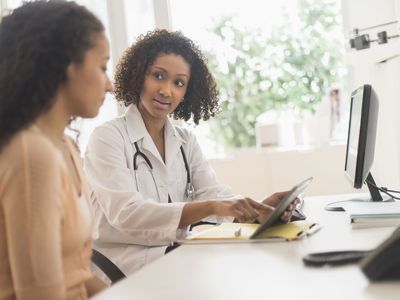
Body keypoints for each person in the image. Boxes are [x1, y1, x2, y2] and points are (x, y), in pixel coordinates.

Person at [84, 29, 297, 275]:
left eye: (179, 82)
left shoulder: (185, 141)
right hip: (121, 266)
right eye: (158, 76)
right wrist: (213, 206)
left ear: (188, 91)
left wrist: (254, 208)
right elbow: (127, 213)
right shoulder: (108, 137)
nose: (166, 90)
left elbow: (211, 191)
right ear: (139, 75)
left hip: (173, 255)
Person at [0, 1, 112, 299]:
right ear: (65, 65)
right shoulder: (30, 155)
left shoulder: (65, 147)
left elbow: (74, 273)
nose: (110, 85)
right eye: (102, 67)